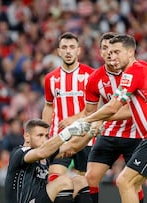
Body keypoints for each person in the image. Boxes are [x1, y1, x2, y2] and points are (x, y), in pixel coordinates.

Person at [75, 34, 147, 203]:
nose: (112, 56)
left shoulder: (132, 73)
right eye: (110, 51)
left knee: (124, 181)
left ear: (130, 52)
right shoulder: (143, 68)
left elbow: (113, 106)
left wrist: (86, 121)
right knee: (130, 183)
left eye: (117, 52)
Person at [83, 32, 144, 203]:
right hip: (109, 135)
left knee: (134, 184)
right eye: (105, 48)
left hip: (135, 134)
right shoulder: (94, 79)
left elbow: (132, 109)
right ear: (100, 52)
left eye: (113, 49)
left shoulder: (134, 72)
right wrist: (92, 123)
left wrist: (101, 119)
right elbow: (90, 112)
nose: (109, 52)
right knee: (91, 177)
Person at [42, 32, 95, 180]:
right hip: (58, 137)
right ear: (59, 51)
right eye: (64, 47)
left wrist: (75, 119)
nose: (68, 51)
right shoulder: (50, 78)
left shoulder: (91, 75)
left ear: (78, 50)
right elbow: (48, 106)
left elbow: (97, 106)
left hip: (85, 138)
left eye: (72, 47)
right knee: (54, 178)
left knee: (84, 182)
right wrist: (44, 133)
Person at [4, 118, 92, 203]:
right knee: (63, 182)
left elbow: (72, 146)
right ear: (27, 136)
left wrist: (91, 133)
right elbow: (41, 153)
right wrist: (67, 132)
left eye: (46, 136)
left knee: (80, 181)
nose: (44, 139)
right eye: (40, 135)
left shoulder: (46, 154)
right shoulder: (19, 152)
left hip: (40, 199)